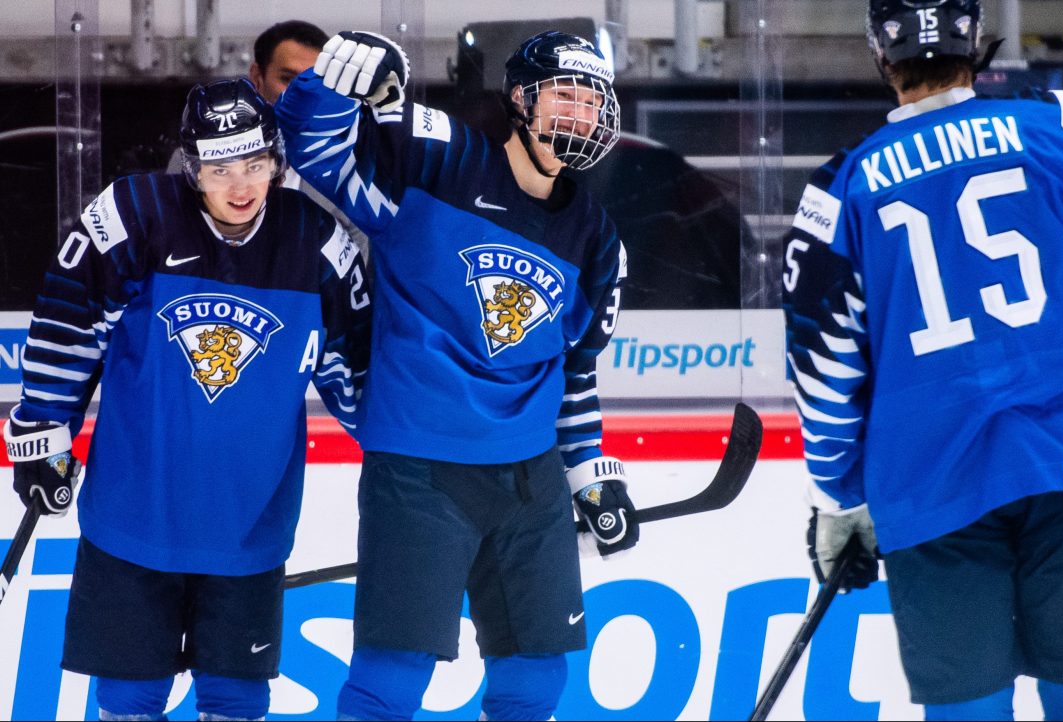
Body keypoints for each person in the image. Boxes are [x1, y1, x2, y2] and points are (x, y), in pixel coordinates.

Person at [783, 1, 1063, 720]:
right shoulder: (1047, 128)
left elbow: (822, 364)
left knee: (967, 712)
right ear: (976, 41)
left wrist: (838, 495)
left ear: (883, 56)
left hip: (929, 486)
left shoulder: (841, 187)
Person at [274, 29, 638, 721]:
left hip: (529, 478)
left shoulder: (596, 238)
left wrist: (591, 473)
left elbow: (574, 369)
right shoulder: (437, 159)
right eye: (565, 95)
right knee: (392, 679)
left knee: (536, 679)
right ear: (521, 101)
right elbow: (310, 148)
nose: (581, 115)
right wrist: (337, 79)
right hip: (419, 467)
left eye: (593, 102)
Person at [2, 78, 371, 720]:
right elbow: (66, 321)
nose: (240, 185)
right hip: (133, 518)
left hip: (249, 526)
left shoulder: (314, 241)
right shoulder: (136, 214)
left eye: (255, 164)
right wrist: (41, 434)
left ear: (277, 163)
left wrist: (424, 466)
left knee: (235, 701)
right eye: (220, 167)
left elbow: (364, 372)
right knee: (129, 700)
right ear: (192, 166)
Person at [167, 20, 370, 256]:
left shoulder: (348, 177)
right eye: (288, 80)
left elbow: (355, 281)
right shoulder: (194, 160)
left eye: (316, 84)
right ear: (257, 76)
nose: (302, 95)